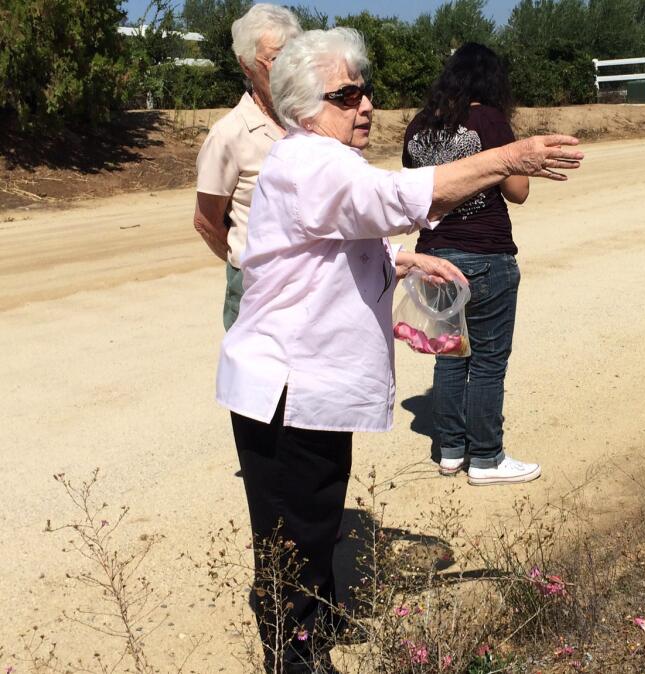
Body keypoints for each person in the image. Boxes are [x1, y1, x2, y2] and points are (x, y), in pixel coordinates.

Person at [216, 27, 583, 673]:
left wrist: (404, 258)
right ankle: (296, 658)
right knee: (291, 542)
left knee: (314, 525)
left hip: (309, 391)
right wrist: (506, 156)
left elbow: (341, 234)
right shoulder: (311, 161)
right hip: (286, 391)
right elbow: (392, 199)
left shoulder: (323, 163)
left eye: (367, 91)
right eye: (346, 95)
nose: (365, 106)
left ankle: (311, 636)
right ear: (305, 105)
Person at [402, 43, 538, 486]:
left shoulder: (419, 127)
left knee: (450, 355)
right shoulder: (490, 121)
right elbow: (518, 191)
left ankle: (450, 450)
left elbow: (415, 190)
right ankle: (486, 458)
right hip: (485, 254)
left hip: (434, 256)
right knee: (487, 360)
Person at [193, 4, 301, 330]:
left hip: (310, 283)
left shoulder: (312, 121)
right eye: (276, 60)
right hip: (255, 288)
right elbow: (206, 220)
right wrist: (248, 260)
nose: (287, 71)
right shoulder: (229, 134)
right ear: (247, 65)